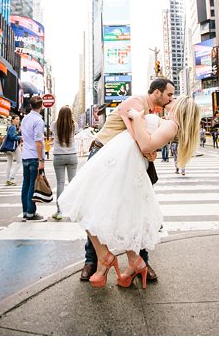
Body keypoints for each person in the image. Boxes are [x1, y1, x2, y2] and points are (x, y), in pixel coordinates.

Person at [58, 96, 200, 289]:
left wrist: (137, 118)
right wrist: (138, 124)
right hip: (119, 161)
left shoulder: (172, 126)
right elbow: (145, 144)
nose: (171, 100)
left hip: (123, 165)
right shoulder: (168, 124)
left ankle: (107, 258)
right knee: (100, 208)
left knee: (89, 206)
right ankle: (132, 262)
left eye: (175, 99)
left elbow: (146, 145)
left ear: (181, 108)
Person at [75, 78, 175, 283]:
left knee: (135, 209)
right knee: (94, 208)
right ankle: (92, 260)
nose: (170, 98)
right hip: (102, 154)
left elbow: (142, 141)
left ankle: (140, 262)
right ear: (157, 92)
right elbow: (138, 137)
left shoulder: (148, 111)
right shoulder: (136, 103)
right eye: (169, 94)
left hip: (123, 162)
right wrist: (149, 151)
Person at [21, 96, 46, 222]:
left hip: (25, 155)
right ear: (41, 107)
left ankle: (25, 211)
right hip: (33, 156)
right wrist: (41, 160)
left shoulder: (24, 119)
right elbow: (38, 142)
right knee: (32, 185)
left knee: (25, 184)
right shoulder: (38, 121)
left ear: (30, 106)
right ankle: (31, 213)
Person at [50, 106, 78, 220]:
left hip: (58, 156)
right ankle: (74, 211)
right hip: (72, 155)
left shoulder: (54, 125)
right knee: (73, 184)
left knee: (60, 184)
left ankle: (59, 211)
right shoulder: (74, 125)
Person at [4, 115, 22, 186]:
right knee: (20, 162)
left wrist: (19, 132)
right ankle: (12, 178)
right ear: (12, 120)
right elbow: (12, 137)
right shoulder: (12, 127)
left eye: (19, 119)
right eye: (16, 119)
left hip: (8, 148)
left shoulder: (12, 127)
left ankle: (7, 179)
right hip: (13, 147)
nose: (18, 120)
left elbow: (13, 135)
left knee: (9, 163)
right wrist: (20, 137)